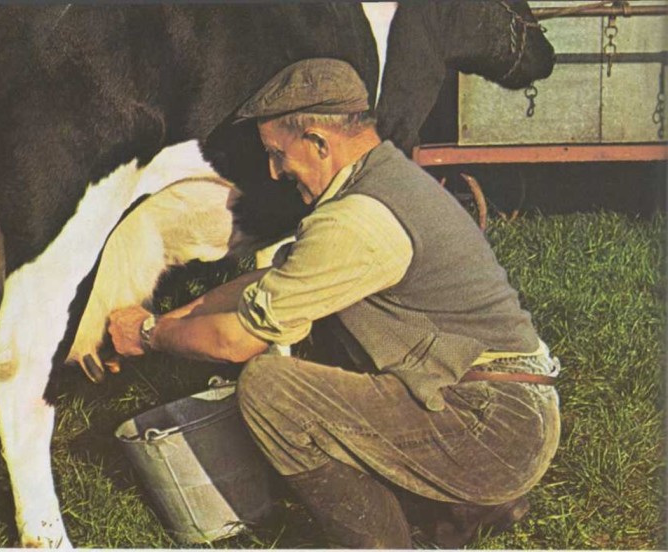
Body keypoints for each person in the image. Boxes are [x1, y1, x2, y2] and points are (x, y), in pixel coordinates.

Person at [106, 58, 561, 549]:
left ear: (319, 142)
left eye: (278, 154)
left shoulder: (356, 222)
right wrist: (170, 317)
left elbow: (236, 342)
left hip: (490, 427)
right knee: (318, 348)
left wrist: (149, 335)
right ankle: (458, 507)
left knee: (271, 390)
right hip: (498, 406)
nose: (274, 171)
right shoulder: (385, 179)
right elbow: (274, 280)